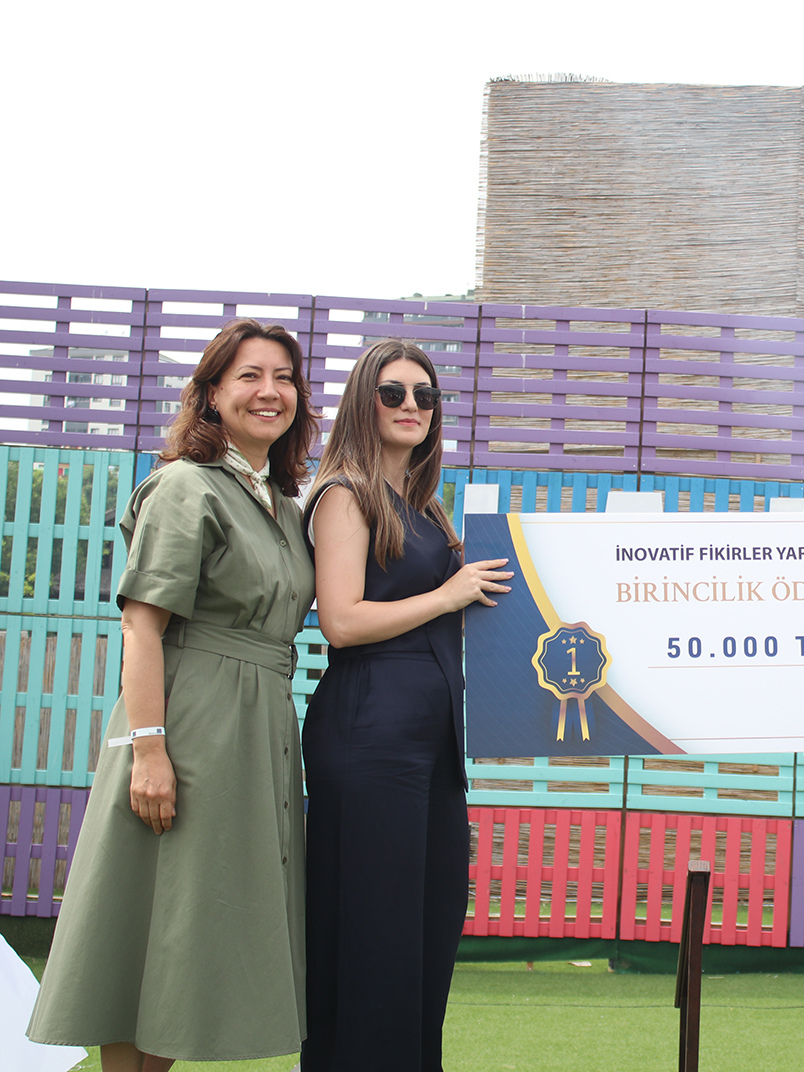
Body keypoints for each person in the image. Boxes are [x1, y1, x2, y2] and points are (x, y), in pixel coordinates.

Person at [27, 319, 319, 1070]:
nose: (270, 391)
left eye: (284, 377)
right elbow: (142, 626)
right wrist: (148, 749)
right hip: (187, 723)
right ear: (211, 394)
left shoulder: (284, 506)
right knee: (146, 918)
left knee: (192, 933)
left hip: (256, 728)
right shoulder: (186, 486)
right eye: (249, 375)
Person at [300, 339, 513, 1072]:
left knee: (426, 928)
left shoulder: (423, 506)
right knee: (376, 934)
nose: (412, 406)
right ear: (364, 401)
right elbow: (341, 621)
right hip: (370, 732)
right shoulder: (344, 493)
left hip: (431, 737)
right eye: (393, 393)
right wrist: (450, 594)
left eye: (425, 395)